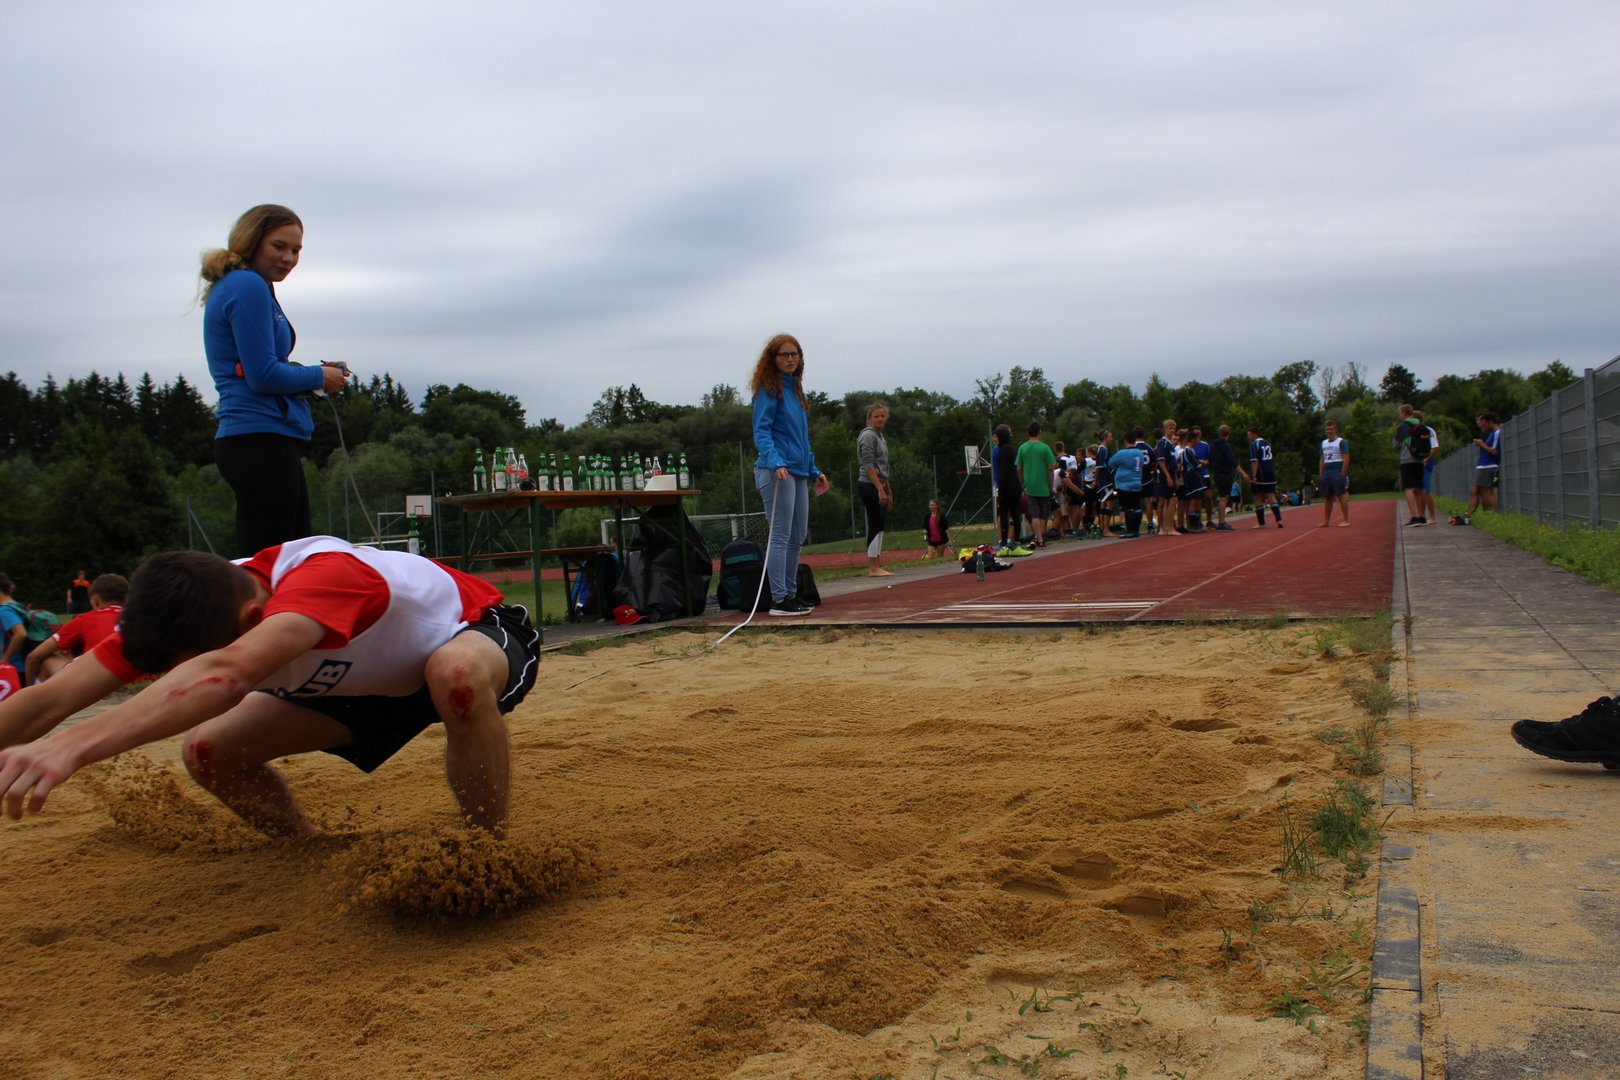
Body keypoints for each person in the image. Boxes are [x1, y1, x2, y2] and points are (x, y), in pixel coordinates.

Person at [0, 538, 539, 837]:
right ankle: (304, 848)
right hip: (357, 684)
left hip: (473, 633)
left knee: (456, 678)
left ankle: (488, 849)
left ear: (252, 620)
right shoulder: (181, 611)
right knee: (208, 751)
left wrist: (71, 746)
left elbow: (227, 674)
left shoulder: (324, 576)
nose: (178, 676)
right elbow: (48, 700)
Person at [201, 204, 350, 557]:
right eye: (279, 246)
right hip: (259, 441)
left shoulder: (250, 284)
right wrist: (319, 375)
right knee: (273, 565)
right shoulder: (247, 284)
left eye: (296, 250)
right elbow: (263, 375)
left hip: (262, 439)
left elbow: (260, 367)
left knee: (286, 560)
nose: (289, 258)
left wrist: (311, 377)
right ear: (251, 242)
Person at [750, 334, 831, 616]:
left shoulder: (796, 390)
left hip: (798, 473)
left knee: (798, 535)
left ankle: (791, 594)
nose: (790, 359)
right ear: (772, 359)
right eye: (784, 354)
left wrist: (814, 470)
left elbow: (802, 438)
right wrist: (775, 462)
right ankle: (779, 599)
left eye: (794, 354)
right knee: (780, 535)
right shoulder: (768, 389)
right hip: (777, 472)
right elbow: (762, 431)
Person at [26, 573, 128, 685]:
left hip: (98, 680)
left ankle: (33, 694)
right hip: (136, 676)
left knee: (47, 660)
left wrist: (28, 685)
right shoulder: (138, 617)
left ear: (96, 601)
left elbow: (33, 657)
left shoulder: (86, 619)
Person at [856, 402, 894, 576]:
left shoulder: (880, 436)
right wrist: (879, 488)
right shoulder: (868, 436)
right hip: (868, 484)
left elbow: (884, 467)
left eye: (883, 416)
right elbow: (869, 465)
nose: (880, 419)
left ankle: (877, 563)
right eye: (876, 416)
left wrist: (888, 491)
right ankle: (873, 567)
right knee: (875, 523)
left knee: (880, 524)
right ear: (869, 418)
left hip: (880, 484)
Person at [1015, 422, 1058, 549]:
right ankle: (1040, 538)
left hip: (1030, 486)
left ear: (1028, 432)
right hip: (1043, 485)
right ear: (1039, 432)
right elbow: (1051, 468)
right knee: (1044, 514)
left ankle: (1038, 538)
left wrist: (1022, 482)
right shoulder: (1045, 448)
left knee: (1034, 514)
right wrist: (1051, 485)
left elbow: (1018, 469)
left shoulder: (1022, 448)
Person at [1458, 412, 1501, 524]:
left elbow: (1494, 451)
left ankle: (1488, 515)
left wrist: (1481, 444)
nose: (1482, 425)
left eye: (1484, 423)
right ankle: (1468, 514)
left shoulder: (1497, 432)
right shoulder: (1491, 433)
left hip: (1488, 465)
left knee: (1485, 491)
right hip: (1483, 465)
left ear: (1490, 422)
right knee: (1476, 490)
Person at [1107, 430, 1150, 538]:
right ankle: (1136, 530)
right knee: (1137, 507)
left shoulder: (1122, 453)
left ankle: (1130, 530)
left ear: (1125, 440)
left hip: (1124, 484)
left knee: (1127, 508)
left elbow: (1110, 463)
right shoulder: (1139, 452)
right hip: (1137, 482)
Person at [1393, 404, 1430, 526]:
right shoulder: (1421, 425)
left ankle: (1414, 516)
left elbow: (1395, 444)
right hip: (1419, 459)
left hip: (1407, 460)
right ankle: (1422, 516)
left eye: (1400, 412)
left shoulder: (1402, 426)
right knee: (1420, 488)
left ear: (1404, 413)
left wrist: (1402, 443)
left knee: (1409, 488)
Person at [991, 425, 1022, 551]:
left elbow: (1003, 470)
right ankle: (1017, 540)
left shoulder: (1002, 450)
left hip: (1006, 486)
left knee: (1003, 513)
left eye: (996, 437)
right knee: (1015, 513)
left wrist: (1000, 487)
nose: (995, 439)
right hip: (1015, 486)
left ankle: (1003, 541)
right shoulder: (1013, 449)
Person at [1318, 419, 1351, 527]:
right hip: (1327, 472)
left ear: (1335, 429)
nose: (1329, 431)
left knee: (1341, 496)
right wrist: (1321, 474)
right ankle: (1326, 521)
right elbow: (1322, 459)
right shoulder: (1323, 443)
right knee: (1328, 498)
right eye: (1327, 429)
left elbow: (1346, 458)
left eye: (1331, 429)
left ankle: (1346, 520)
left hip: (1337, 471)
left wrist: (1342, 473)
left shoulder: (1341, 442)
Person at [1247, 426, 1283, 528]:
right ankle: (1279, 520)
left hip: (1260, 473)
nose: (1248, 437)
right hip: (1270, 472)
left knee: (1257, 496)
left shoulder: (1254, 444)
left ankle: (1261, 522)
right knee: (1271, 496)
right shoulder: (1268, 443)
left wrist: (1254, 475)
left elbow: (1254, 461)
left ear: (1254, 434)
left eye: (1249, 435)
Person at [1208, 425, 1240, 531]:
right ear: (1228, 434)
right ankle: (1221, 521)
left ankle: (1222, 521)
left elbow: (1210, 459)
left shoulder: (1213, 445)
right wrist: (1242, 472)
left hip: (1217, 473)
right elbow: (1231, 460)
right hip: (1225, 473)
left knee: (1223, 496)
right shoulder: (1226, 446)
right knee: (1224, 497)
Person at [0, 574, 30, 685]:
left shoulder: (4, 610)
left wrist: (5, 660)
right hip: (23, 665)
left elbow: (21, 633)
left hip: (14, 668)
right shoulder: (18, 606)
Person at [1416, 409, 1440, 524]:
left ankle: (1432, 516)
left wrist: (1426, 459)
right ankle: (1421, 516)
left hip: (1426, 463)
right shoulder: (1415, 431)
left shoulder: (1427, 430)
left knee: (1425, 490)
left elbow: (1435, 447)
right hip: (1417, 463)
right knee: (1419, 491)